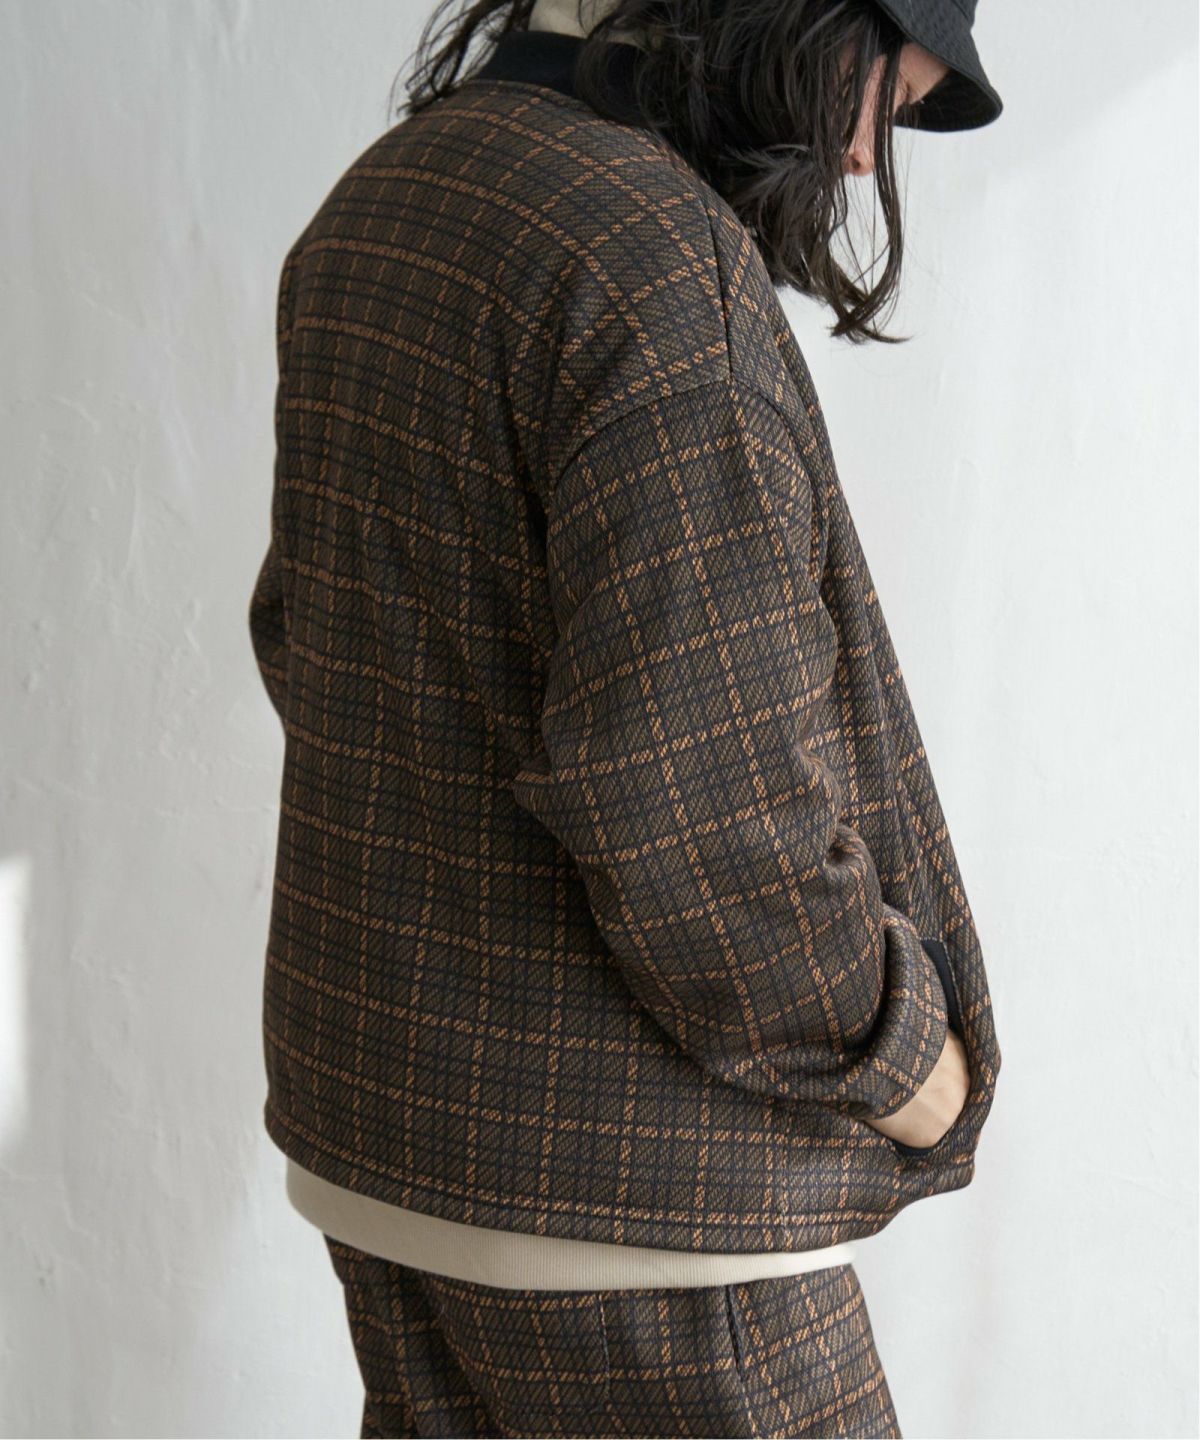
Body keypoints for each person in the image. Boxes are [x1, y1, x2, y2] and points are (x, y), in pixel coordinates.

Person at [247, 0, 1004, 1434]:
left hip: (392, 1146)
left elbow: (312, 640)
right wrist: (913, 1062)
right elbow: (710, 824)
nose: (862, 157)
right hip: (641, 1208)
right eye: (884, 94)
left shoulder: (388, 196)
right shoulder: (653, 259)